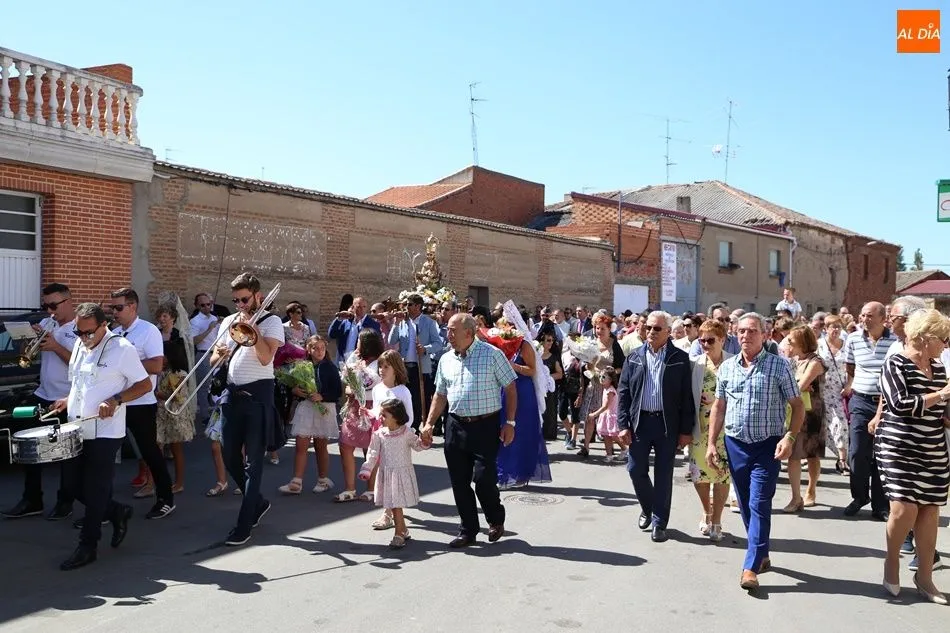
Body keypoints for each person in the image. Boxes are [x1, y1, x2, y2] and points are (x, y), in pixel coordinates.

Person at [707, 313, 804, 591]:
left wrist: (789, 437)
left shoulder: (779, 366)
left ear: (764, 334)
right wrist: (712, 443)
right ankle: (761, 553)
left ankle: (750, 567)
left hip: (768, 445)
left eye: (752, 331)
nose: (746, 336)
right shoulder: (727, 367)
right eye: (741, 331)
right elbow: (719, 407)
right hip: (735, 444)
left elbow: (797, 406)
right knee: (746, 502)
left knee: (759, 501)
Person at [52, 303, 152, 570]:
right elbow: (80, 382)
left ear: (104, 325)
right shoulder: (79, 344)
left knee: (95, 488)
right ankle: (116, 510)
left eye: (89, 332)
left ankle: (88, 546)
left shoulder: (122, 349)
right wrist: (68, 400)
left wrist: (117, 399)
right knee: (71, 486)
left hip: (105, 432)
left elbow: (144, 384)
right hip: (76, 426)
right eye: (79, 332)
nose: (83, 337)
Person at [421, 314, 517, 548]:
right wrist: (429, 423)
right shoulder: (446, 359)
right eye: (448, 330)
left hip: (485, 425)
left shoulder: (492, 355)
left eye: (453, 330)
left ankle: (495, 519)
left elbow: (511, 387)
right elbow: (440, 394)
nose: (448, 335)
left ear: (469, 332)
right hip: (455, 425)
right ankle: (468, 530)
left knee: (483, 479)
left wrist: (510, 422)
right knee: (459, 481)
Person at [876, 309, 950, 603]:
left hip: (932, 447)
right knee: (904, 508)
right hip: (898, 446)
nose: (946, 344)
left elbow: (943, 412)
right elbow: (899, 404)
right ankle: (892, 560)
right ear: (925, 337)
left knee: (930, 511)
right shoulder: (895, 363)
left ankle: (925, 577)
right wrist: (942, 395)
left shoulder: (939, 368)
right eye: (943, 338)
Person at [212, 273, 285, 546]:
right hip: (232, 396)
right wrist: (219, 354)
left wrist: (253, 331)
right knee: (229, 455)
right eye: (236, 300)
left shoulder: (272, 321)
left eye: (244, 299)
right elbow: (213, 360)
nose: (240, 305)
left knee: (254, 464)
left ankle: (244, 525)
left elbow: (266, 358)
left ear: (258, 296)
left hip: (257, 396)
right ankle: (258, 502)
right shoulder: (228, 321)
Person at [1, 283, 79, 521]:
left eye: (53, 305)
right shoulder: (47, 323)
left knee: (66, 454)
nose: (49, 311)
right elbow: (28, 354)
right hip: (43, 394)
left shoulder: (81, 328)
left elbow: (81, 365)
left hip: (69, 398)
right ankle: (32, 499)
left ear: (68, 301)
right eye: (46, 306)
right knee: (28, 445)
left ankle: (65, 502)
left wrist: (56, 347)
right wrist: (26, 341)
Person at [617, 311, 695, 543]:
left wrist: (685, 430)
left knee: (663, 474)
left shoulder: (680, 358)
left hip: (666, 424)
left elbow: (686, 397)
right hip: (640, 423)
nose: (651, 332)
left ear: (668, 332)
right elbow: (624, 392)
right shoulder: (634, 356)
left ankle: (659, 523)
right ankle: (648, 507)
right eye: (648, 327)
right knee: (635, 469)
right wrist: (623, 424)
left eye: (657, 328)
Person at [110, 288, 176, 520]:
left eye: (119, 307)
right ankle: (104, 506)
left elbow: (157, 365)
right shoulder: (113, 333)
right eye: (112, 308)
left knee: (150, 452)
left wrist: (125, 363)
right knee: (105, 454)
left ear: (133, 307)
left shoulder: (148, 330)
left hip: (140, 401)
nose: (114, 312)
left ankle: (165, 498)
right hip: (116, 401)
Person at [842, 302, 896, 521]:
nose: (864, 319)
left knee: (881, 453)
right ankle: (860, 496)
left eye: (870, 316)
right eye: (862, 315)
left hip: (887, 403)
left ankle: (880, 505)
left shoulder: (895, 341)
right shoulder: (853, 339)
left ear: (883, 318)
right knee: (857, 451)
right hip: (861, 401)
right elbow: (850, 366)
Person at [359, 398, 430, 549]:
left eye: (384, 415)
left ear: (396, 417)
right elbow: (372, 453)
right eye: (380, 414)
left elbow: (417, 446)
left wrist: (424, 440)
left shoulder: (406, 433)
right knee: (394, 504)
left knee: (396, 505)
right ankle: (402, 530)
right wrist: (367, 468)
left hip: (401, 475)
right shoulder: (379, 434)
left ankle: (399, 533)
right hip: (387, 475)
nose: (380, 418)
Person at [490, 319, 552, 489]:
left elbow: (532, 370)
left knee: (520, 431)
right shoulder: (499, 345)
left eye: (508, 325)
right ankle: (502, 472)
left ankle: (519, 473)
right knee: (502, 428)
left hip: (523, 392)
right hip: (504, 389)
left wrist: (514, 366)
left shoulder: (524, 345)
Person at [688, 318, 732, 542]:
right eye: (702, 341)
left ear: (722, 339)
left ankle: (717, 520)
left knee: (722, 475)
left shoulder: (734, 362)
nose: (705, 344)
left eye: (710, 340)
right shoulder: (694, 364)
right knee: (700, 474)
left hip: (727, 428)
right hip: (700, 427)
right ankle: (707, 510)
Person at [388, 294, 441, 429]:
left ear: (418, 306)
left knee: (419, 399)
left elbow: (438, 343)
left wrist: (425, 349)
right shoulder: (402, 322)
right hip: (405, 367)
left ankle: (418, 427)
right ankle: (407, 425)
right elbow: (391, 341)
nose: (406, 307)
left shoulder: (429, 322)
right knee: (405, 398)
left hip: (421, 367)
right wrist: (396, 323)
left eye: (409, 304)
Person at [189, 292, 221, 427]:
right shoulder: (195, 321)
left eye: (209, 304)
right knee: (203, 386)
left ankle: (218, 413)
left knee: (218, 383)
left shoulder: (214, 318)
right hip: (203, 354)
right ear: (197, 306)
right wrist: (209, 329)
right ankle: (205, 415)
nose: (207, 307)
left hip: (218, 353)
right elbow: (193, 341)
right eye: (202, 305)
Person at [328, 296, 380, 365]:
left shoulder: (373, 325)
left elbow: (376, 346)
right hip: (343, 361)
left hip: (360, 363)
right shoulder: (346, 322)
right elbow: (332, 335)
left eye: (364, 307)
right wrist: (338, 319)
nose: (362, 309)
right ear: (353, 307)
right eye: (359, 307)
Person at [588, 368, 620, 458]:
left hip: (610, 416)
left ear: (611, 379)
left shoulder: (610, 391)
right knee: (606, 436)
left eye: (604, 377)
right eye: (600, 376)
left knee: (613, 435)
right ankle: (609, 455)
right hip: (605, 416)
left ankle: (624, 448)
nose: (601, 378)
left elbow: (606, 406)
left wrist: (595, 414)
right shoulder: (605, 389)